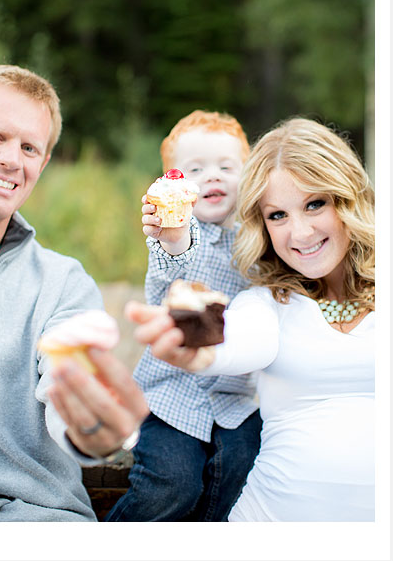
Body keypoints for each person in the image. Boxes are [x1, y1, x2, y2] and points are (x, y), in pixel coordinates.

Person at [130, 117, 375, 521]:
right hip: (265, 516)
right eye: (277, 215)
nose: (300, 233)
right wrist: (200, 355)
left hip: (369, 535)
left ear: (347, 197)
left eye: (315, 204)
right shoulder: (266, 297)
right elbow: (242, 338)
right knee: (173, 481)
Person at [0, 65, 149, 522]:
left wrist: (89, 429)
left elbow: (66, 377)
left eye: (29, 148)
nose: (12, 160)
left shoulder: (63, 283)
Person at [107, 110, 262, 521]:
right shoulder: (176, 232)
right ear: (172, 182)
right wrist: (172, 234)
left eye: (227, 167)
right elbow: (175, 257)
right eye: (195, 169)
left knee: (240, 475)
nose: (212, 176)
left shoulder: (255, 239)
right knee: (173, 483)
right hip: (170, 396)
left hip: (234, 399)